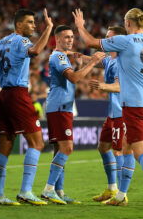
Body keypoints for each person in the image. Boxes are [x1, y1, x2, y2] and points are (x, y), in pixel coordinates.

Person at [73, 8, 143, 210]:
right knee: (128, 147)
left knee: (140, 153)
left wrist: (80, 26)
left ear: (128, 23)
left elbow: (91, 42)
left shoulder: (126, 41)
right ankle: (121, 194)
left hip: (134, 105)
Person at [0, 8, 53, 205]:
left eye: (34, 22)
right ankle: (25, 191)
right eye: (30, 22)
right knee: (37, 143)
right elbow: (36, 51)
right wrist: (49, 28)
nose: (34, 25)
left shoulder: (1, 42)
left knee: (5, 144)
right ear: (19, 24)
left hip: (5, 95)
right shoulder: (22, 41)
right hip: (18, 95)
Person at [40, 25, 104, 205]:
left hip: (61, 106)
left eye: (72, 37)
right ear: (57, 39)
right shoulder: (58, 56)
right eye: (66, 37)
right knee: (67, 148)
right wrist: (91, 63)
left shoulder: (62, 56)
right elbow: (74, 78)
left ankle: (58, 192)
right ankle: (48, 189)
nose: (70, 40)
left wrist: (79, 58)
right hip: (59, 106)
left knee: (60, 149)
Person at [89, 26, 134, 203]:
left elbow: (120, 86)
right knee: (103, 147)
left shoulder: (122, 62)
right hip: (112, 113)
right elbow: (98, 60)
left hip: (121, 113)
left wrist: (102, 86)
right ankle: (111, 188)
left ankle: (122, 194)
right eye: (105, 37)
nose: (106, 41)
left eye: (109, 38)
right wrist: (77, 56)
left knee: (118, 151)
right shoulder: (110, 59)